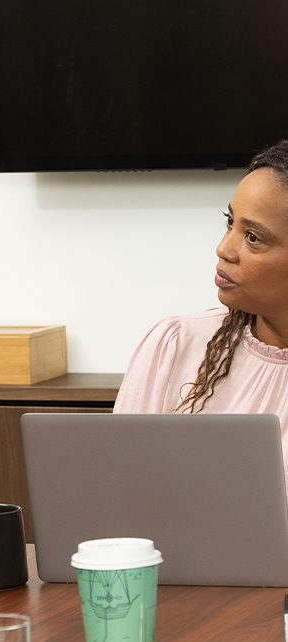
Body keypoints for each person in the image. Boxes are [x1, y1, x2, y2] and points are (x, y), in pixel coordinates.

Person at [115, 139, 288, 486]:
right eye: (230, 222)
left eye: (253, 237)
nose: (224, 249)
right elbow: (116, 490)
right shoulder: (174, 344)